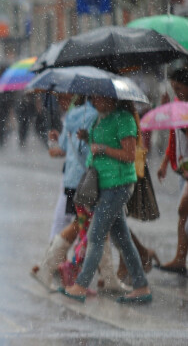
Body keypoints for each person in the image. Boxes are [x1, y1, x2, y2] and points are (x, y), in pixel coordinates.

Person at [59, 96, 152, 305]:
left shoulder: (124, 119)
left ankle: (80, 286)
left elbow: (129, 154)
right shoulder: (99, 119)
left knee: (96, 235)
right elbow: (98, 144)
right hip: (104, 184)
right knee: (122, 239)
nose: (94, 101)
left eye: (97, 97)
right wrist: (87, 138)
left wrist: (102, 148)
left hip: (117, 185)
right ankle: (141, 285)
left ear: (111, 98)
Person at [157, 68, 188, 274]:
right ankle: (180, 258)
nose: (177, 92)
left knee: (183, 211)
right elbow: (173, 136)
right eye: (173, 88)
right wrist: (165, 161)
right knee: (183, 214)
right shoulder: (178, 105)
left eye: (179, 88)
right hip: (183, 170)